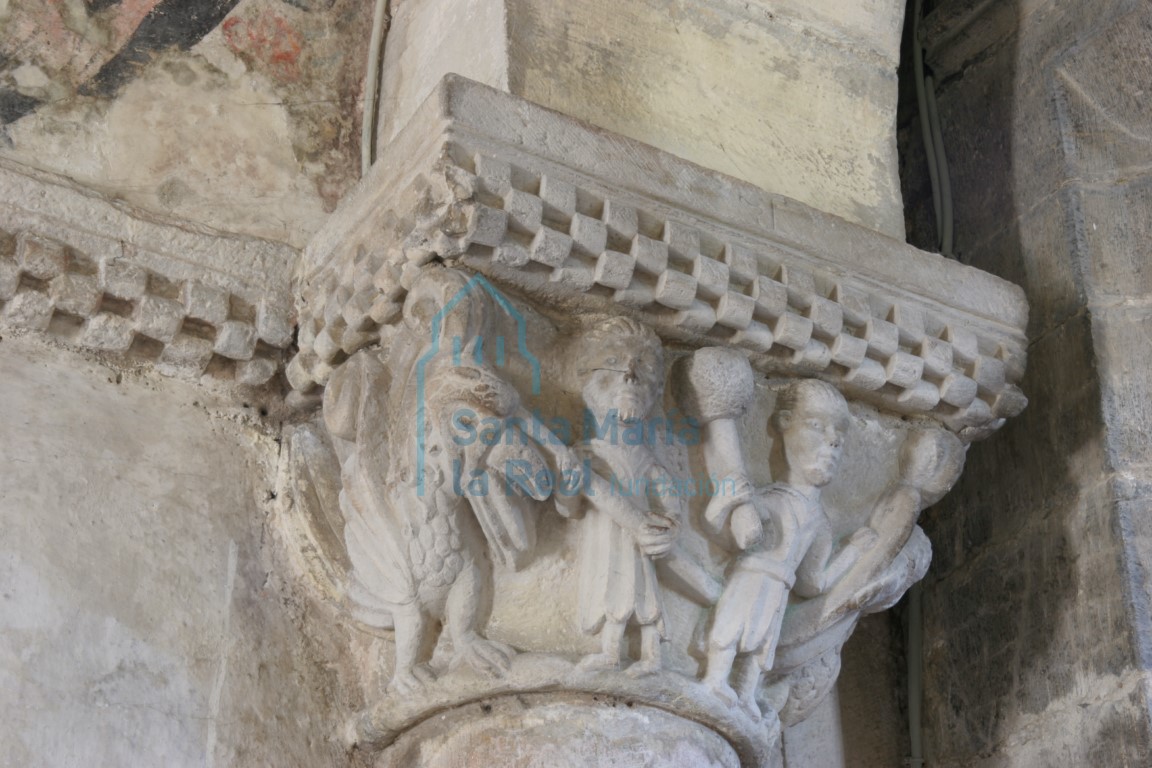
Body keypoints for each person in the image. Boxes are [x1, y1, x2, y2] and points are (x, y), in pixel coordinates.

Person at [701, 379, 876, 711]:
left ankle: (747, 695)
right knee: (731, 628)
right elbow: (726, 537)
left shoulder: (822, 524)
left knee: (763, 643)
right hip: (749, 578)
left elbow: (812, 582)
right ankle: (713, 680)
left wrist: (852, 550)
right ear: (783, 425)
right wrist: (721, 504)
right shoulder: (769, 498)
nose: (832, 441)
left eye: (839, 435)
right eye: (815, 425)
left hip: (780, 589)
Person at [570, 316, 682, 677]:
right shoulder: (585, 453)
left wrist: (670, 529)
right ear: (586, 380)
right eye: (614, 363)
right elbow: (567, 507)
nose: (630, 375)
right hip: (605, 540)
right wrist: (568, 484)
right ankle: (610, 651)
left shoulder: (646, 459)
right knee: (611, 589)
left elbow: (669, 499)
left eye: (642, 367)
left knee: (646, 594)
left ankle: (652, 656)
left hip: (640, 537)